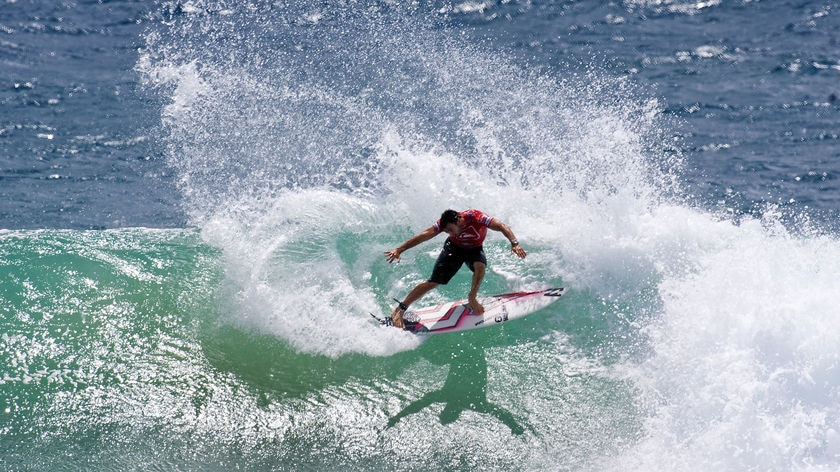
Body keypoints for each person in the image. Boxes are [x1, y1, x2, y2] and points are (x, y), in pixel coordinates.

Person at [384, 209, 527, 329]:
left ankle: (472, 297)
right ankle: (400, 309)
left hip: (474, 249)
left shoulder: (476, 217)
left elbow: (501, 225)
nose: (450, 233)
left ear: (459, 220)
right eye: (446, 232)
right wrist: (400, 249)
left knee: (480, 266)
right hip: (453, 249)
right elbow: (424, 235)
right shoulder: (445, 225)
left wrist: (514, 243)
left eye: (451, 230)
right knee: (433, 282)